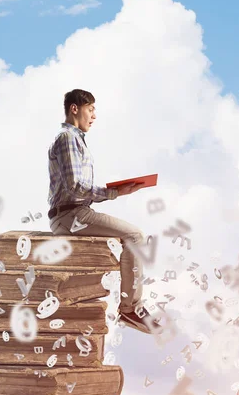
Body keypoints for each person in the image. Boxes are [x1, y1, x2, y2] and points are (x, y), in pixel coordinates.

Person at [47, 88, 158, 334]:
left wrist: (117, 190)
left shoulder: (75, 139)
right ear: (75, 109)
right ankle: (130, 309)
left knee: (130, 238)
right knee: (135, 237)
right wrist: (115, 192)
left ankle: (130, 306)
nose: (94, 116)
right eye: (91, 109)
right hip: (71, 215)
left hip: (75, 212)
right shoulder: (67, 138)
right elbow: (76, 188)